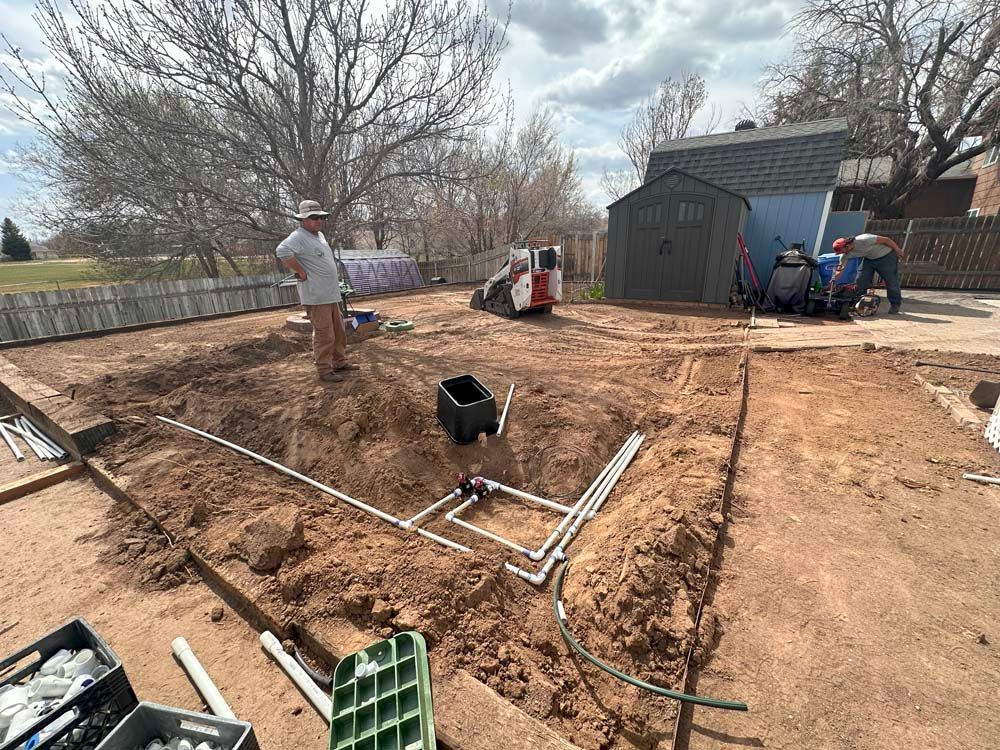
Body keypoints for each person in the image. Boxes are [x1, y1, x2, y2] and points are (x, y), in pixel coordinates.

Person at [276, 200, 360, 382]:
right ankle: (324, 369)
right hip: (316, 295)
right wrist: (300, 271)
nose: (318, 221)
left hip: (329, 294)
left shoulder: (319, 235)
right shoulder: (299, 236)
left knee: (339, 332)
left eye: (320, 217)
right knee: (324, 334)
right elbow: (282, 251)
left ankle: (339, 362)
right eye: (313, 218)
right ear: (303, 219)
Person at [830, 233, 905, 314]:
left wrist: (897, 250)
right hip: (869, 259)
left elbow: (887, 240)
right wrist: (832, 282)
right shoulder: (844, 255)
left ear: (847, 246)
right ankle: (860, 303)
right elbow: (840, 269)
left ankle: (895, 304)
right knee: (861, 280)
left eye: (842, 251)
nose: (842, 253)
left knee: (891, 281)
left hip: (886, 257)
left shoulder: (865, 239)